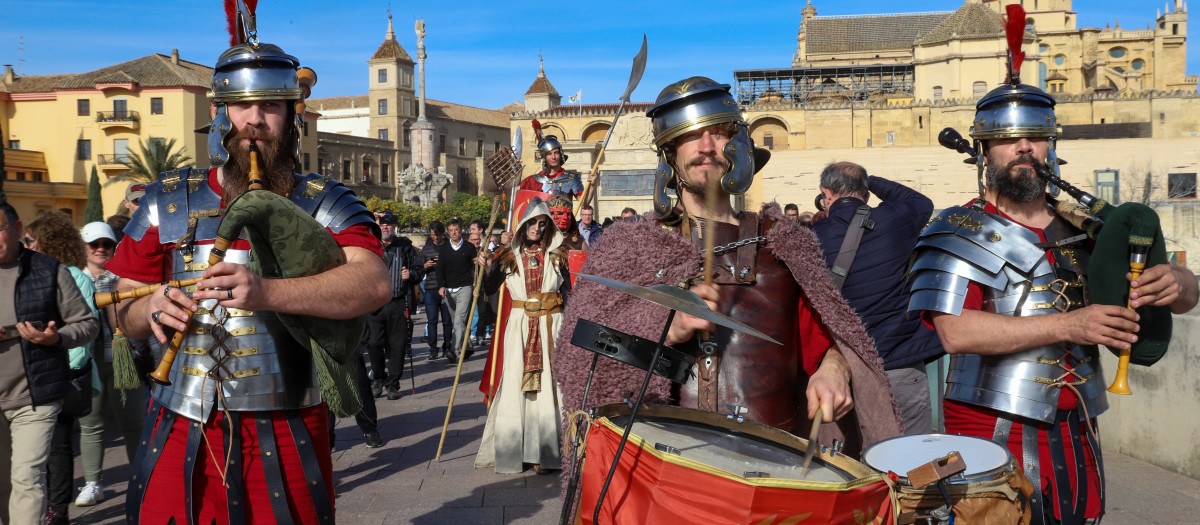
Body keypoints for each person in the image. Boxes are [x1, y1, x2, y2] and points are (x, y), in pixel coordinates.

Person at [106, 16, 389, 524]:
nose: (254, 120)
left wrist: (266, 292)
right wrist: (148, 306)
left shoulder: (325, 201)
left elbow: (371, 283)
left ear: (291, 114)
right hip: (178, 413)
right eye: (241, 106)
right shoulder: (167, 198)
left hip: (288, 417)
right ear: (221, 114)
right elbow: (121, 305)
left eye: (271, 106)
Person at [554, 77, 902, 465]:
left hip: (773, 462)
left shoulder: (783, 243)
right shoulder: (629, 245)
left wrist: (835, 367)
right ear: (670, 153)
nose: (707, 147)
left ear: (738, 147)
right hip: (660, 465)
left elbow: (829, 339)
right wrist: (662, 326)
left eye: (719, 134)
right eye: (692, 137)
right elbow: (577, 356)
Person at [908, 80, 1199, 525]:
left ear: (1051, 145)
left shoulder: (1086, 228)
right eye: (1007, 139)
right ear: (985, 150)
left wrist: (1177, 281)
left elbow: (1183, 301)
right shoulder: (957, 229)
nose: (1024, 148)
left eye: (1036, 138)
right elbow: (955, 331)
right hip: (992, 422)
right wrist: (1068, 326)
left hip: (1079, 423)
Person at [811, 162, 944, 434]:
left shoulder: (814, 236)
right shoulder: (896, 218)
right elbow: (921, 201)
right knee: (911, 465)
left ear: (826, 193)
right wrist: (869, 180)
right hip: (900, 363)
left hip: (843, 373)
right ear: (867, 193)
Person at [0, 203, 99, 525]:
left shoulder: (48, 269)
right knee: (3, 484)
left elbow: (87, 323)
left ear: (16, 230)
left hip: (36, 396)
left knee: (27, 477)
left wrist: (55, 339)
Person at [475, 198, 570, 474]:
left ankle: (546, 452)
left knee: (548, 390)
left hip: (551, 326)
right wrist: (486, 267)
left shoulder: (556, 256)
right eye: (532, 223)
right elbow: (490, 287)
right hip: (520, 328)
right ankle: (517, 451)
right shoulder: (508, 256)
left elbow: (569, 295)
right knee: (520, 387)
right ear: (522, 226)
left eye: (542, 223)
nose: (537, 228)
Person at [75, 221, 147, 511]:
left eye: (106, 244)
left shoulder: (126, 278)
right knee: (91, 426)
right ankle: (93, 483)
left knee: (134, 425)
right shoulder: (71, 279)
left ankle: (139, 481)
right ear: (84, 248)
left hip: (124, 362)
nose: (101, 249)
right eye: (94, 244)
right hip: (89, 365)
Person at [368, 213, 423, 401]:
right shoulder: (370, 244)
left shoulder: (405, 246)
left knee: (398, 345)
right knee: (374, 342)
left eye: (389, 225)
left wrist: (412, 274)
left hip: (397, 302)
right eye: (382, 225)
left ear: (394, 227)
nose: (385, 228)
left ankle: (392, 384)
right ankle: (378, 378)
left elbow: (419, 269)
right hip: (374, 304)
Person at [437, 218, 478, 364]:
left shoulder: (468, 247)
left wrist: (475, 286)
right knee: (457, 322)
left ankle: (455, 351)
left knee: (459, 320)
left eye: (456, 229)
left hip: (465, 287)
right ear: (448, 233)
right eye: (451, 230)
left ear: (460, 230)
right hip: (448, 289)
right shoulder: (443, 248)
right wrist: (441, 286)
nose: (454, 232)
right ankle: (468, 347)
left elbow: (475, 268)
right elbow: (440, 269)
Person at [419, 221, 454, 359]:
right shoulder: (426, 249)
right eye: (433, 235)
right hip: (431, 288)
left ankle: (447, 347)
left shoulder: (450, 246)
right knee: (432, 320)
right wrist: (425, 265)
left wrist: (444, 263)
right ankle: (433, 349)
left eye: (438, 235)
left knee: (447, 321)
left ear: (442, 233)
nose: (436, 238)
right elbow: (418, 268)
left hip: (447, 287)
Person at [520, 134, 584, 200]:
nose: (553, 157)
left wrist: (592, 185)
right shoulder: (532, 182)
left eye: (556, 153)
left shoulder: (571, 177)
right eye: (549, 154)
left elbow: (584, 204)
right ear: (544, 157)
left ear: (560, 154)